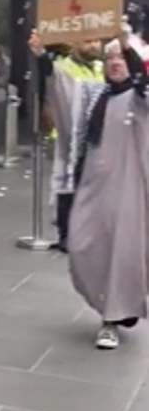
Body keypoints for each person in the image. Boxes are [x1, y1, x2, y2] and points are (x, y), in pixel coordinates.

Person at [30, 27, 148, 350]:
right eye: (109, 58)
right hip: (91, 187)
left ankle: (111, 318)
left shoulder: (140, 99)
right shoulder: (94, 95)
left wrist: (127, 45)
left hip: (128, 190)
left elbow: (143, 82)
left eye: (120, 58)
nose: (114, 63)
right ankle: (115, 305)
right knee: (81, 245)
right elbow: (62, 91)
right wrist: (42, 56)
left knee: (120, 251)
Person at [35, 38, 104, 252]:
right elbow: (50, 75)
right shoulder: (64, 67)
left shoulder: (101, 67)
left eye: (96, 42)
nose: (93, 46)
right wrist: (40, 54)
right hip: (70, 134)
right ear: (74, 44)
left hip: (97, 136)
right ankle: (66, 234)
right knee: (69, 182)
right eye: (88, 41)